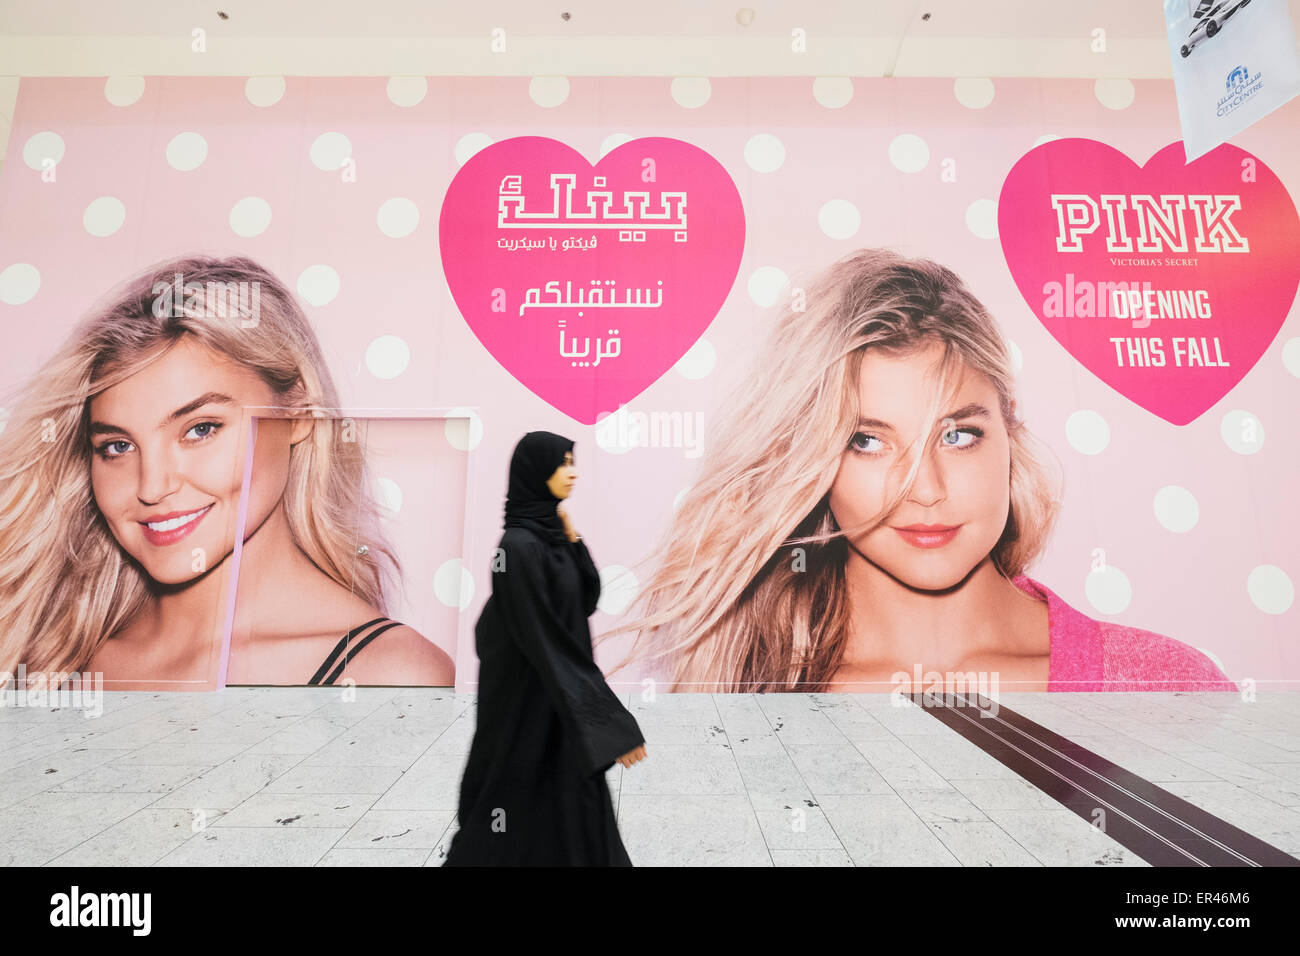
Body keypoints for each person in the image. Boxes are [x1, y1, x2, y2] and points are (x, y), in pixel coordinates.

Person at [606, 248, 1235, 694]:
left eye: (958, 435)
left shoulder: (1166, 689)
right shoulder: (742, 698)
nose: (926, 490)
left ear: (1009, 432)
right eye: (867, 442)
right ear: (815, 461)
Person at [0, 255, 452, 690]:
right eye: (117, 446)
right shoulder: (50, 660)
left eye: (200, 429)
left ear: (299, 413)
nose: (153, 487)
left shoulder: (392, 674)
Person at [445, 431, 647, 866]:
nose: (573, 473)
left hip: (558, 695)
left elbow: (587, 600)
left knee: (573, 795)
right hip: (526, 700)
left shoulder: (551, 536)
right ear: (537, 472)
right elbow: (546, 640)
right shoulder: (516, 547)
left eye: (573, 462)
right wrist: (608, 723)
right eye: (563, 464)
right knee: (513, 791)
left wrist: (575, 543)